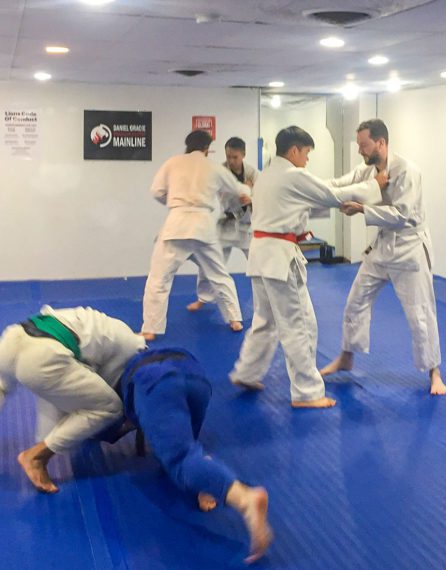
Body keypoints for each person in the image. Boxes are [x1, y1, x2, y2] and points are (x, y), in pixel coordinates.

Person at [228, 126, 384, 408]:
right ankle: (307, 392)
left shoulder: (265, 176)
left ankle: (247, 372)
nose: (307, 160)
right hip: (279, 257)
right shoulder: (291, 175)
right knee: (300, 325)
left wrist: (358, 188)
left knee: (265, 321)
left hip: (261, 256)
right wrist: (375, 186)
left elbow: (315, 195)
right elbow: (329, 195)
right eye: (307, 154)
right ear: (295, 150)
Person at [0, 306, 146, 493]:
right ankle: (37, 457)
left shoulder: (110, 327)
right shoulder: (132, 352)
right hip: (43, 357)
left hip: (14, 335)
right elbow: (104, 390)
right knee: (109, 408)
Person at [319, 119, 446, 396]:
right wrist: (308, 187)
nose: (360, 151)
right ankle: (346, 356)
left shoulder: (407, 171)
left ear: (381, 142)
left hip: (410, 247)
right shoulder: (366, 170)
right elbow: (338, 184)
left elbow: (403, 215)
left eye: (363, 145)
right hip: (382, 246)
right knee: (356, 300)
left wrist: (363, 209)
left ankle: (434, 371)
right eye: (358, 146)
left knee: (421, 313)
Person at [111, 348, 272, 563]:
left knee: (180, 460)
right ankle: (207, 484)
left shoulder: (115, 383)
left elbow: (113, 422)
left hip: (153, 383)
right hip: (195, 375)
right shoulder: (124, 347)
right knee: (189, 447)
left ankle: (245, 499)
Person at [141, 130, 251, 340]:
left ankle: (150, 329)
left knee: (159, 279)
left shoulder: (172, 162)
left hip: (176, 224)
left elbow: (156, 191)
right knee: (219, 274)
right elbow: (238, 188)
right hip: (203, 226)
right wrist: (247, 193)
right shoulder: (213, 167)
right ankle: (234, 319)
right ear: (206, 149)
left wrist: (176, 203)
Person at [188, 137, 260, 313]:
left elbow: (262, 196)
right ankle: (203, 298)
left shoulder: (253, 173)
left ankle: (265, 301)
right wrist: (243, 189)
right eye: (228, 156)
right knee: (210, 262)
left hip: (246, 225)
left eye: (235, 157)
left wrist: (251, 197)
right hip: (226, 224)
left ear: (243, 155)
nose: (231, 160)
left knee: (258, 263)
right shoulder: (219, 171)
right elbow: (218, 194)